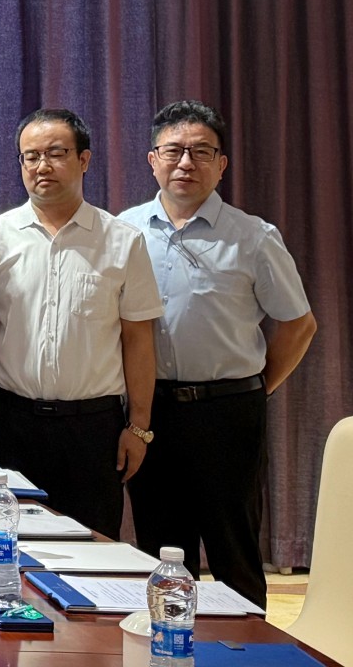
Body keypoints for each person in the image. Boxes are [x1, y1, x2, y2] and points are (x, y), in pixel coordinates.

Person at [119, 101, 316, 607]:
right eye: (174, 151)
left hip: (228, 413)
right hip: (149, 412)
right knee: (161, 548)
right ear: (152, 160)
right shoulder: (124, 231)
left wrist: (257, 388)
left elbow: (299, 324)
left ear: (221, 164)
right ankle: (169, 640)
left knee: (235, 549)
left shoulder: (254, 237)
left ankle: (248, 646)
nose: (186, 162)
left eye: (201, 152)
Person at [0, 107, 163, 538]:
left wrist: (139, 427)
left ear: (84, 159)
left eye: (56, 153)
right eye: (31, 156)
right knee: (7, 544)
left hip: (93, 429)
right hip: (11, 423)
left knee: (93, 548)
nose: (42, 166)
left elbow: (138, 340)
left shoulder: (123, 241)